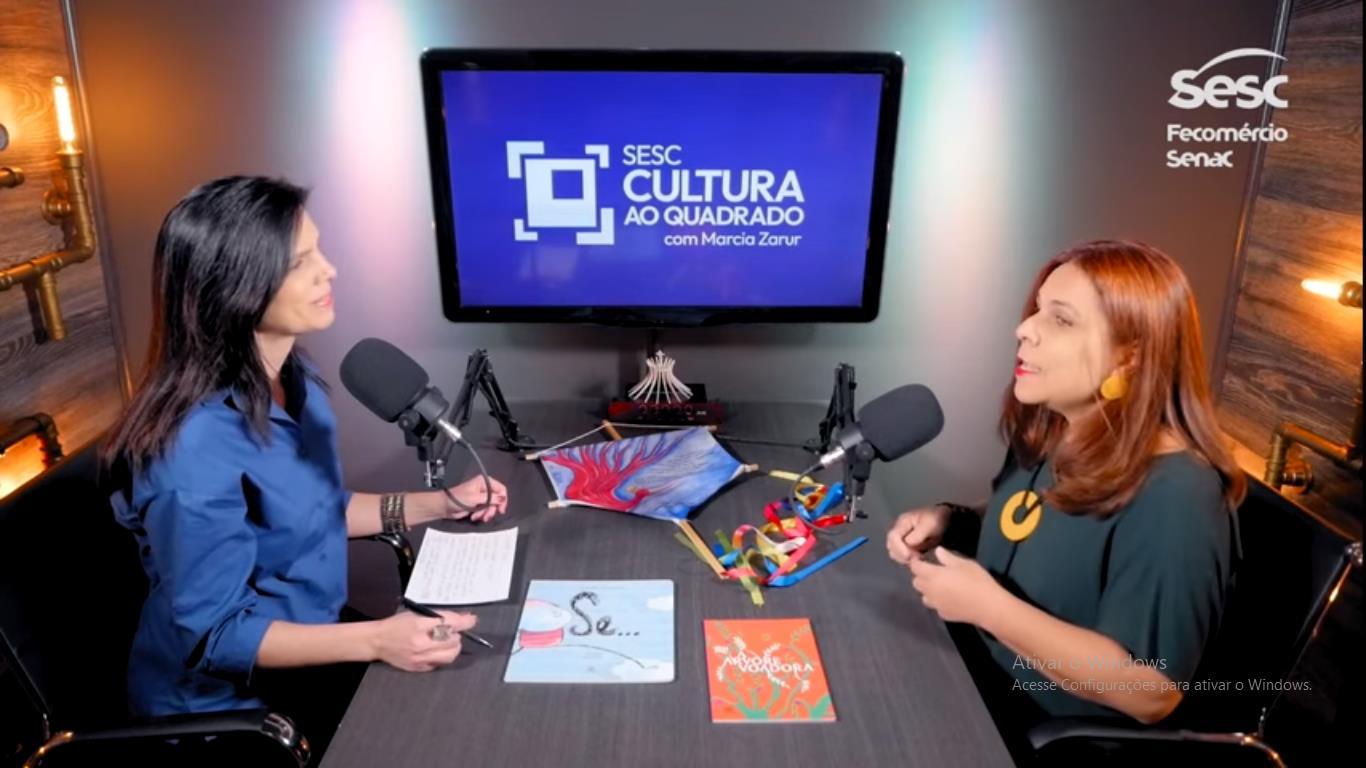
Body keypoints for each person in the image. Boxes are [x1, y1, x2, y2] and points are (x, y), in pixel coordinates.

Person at [101, 176, 509, 755]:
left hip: (312, 650)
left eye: (318, 250)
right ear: (236, 284)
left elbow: (318, 510)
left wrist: (440, 504)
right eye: (300, 263)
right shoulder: (190, 451)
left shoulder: (298, 382)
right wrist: (377, 640)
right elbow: (216, 635)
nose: (329, 271)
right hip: (230, 716)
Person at [886, 240, 1245, 730]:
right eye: (1037, 310)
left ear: (1131, 356)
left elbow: (1150, 692)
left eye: (1061, 320)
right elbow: (1042, 531)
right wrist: (951, 520)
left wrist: (989, 609)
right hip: (971, 680)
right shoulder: (1054, 432)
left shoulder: (1180, 495)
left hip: (1040, 737)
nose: (1024, 329)